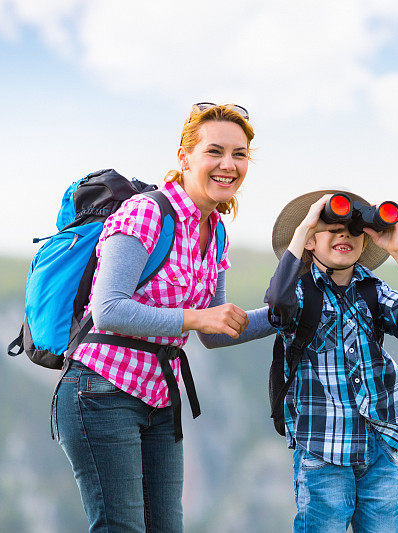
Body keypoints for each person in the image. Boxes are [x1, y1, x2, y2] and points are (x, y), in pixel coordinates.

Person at [54, 103, 274, 532]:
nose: (228, 165)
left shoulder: (216, 233)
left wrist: (288, 314)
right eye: (215, 151)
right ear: (184, 157)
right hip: (101, 392)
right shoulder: (147, 213)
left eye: (240, 154)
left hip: (159, 398)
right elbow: (109, 309)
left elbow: (217, 331)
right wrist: (195, 319)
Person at [265, 191, 398, 532]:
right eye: (331, 228)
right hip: (322, 447)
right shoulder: (301, 292)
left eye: (354, 229)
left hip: (377, 445)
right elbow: (277, 303)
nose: (345, 234)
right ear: (311, 242)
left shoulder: (371, 289)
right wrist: (303, 230)